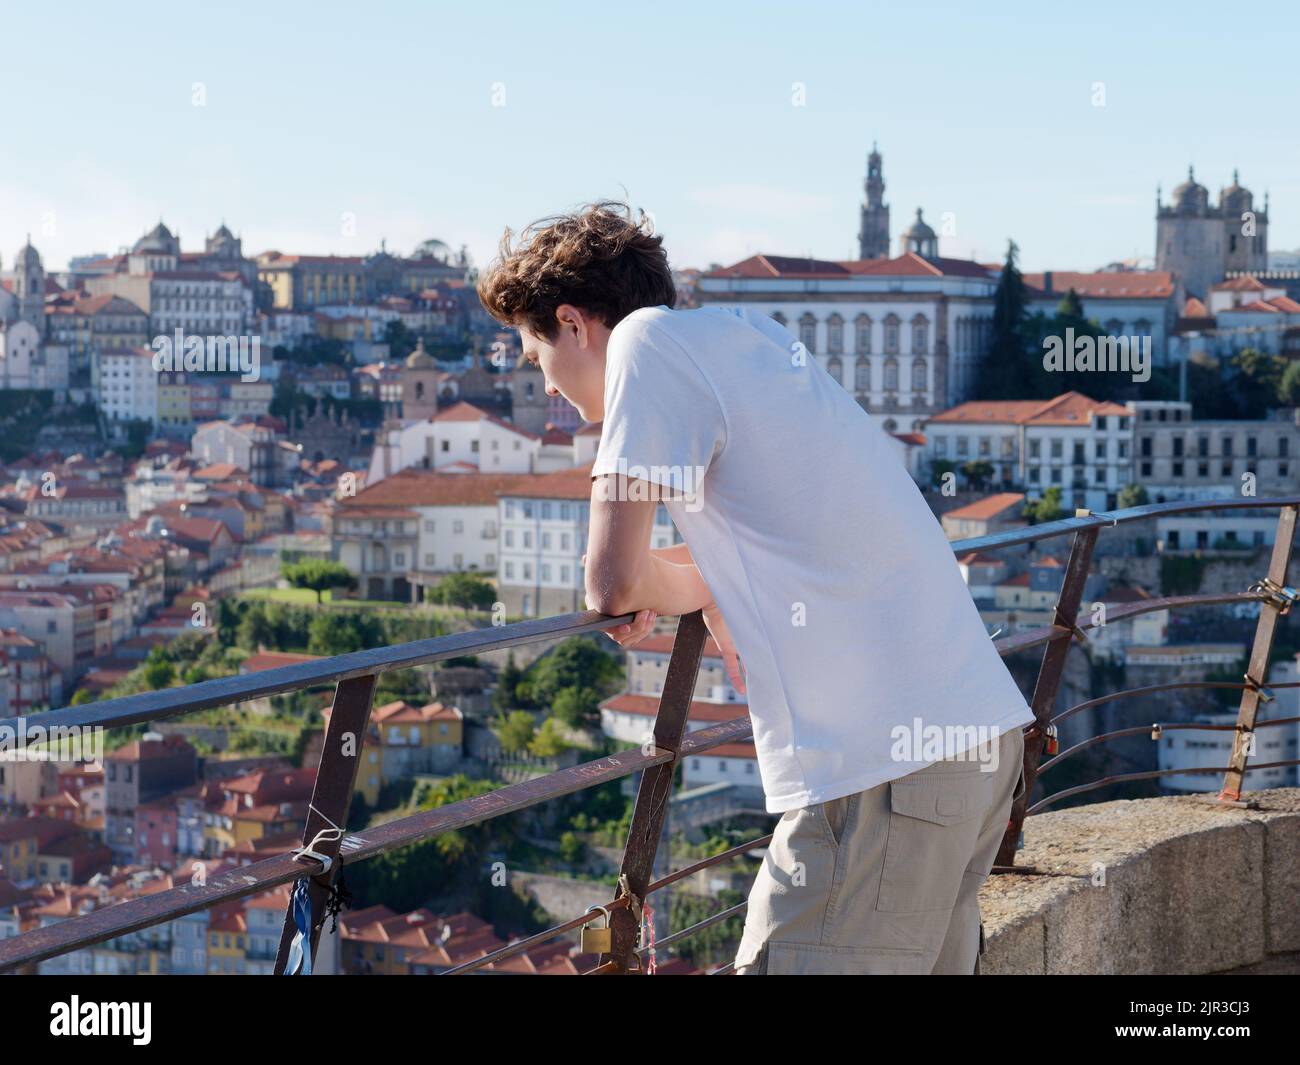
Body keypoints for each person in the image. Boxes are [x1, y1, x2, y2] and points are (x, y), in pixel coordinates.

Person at [476, 201, 1032, 974]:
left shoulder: (644, 343)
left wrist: (651, 583)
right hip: (974, 742)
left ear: (573, 322)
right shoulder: (748, 338)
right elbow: (761, 554)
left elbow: (608, 581)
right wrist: (685, 584)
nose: (545, 386)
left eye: (534, 354)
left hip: (881, 775)